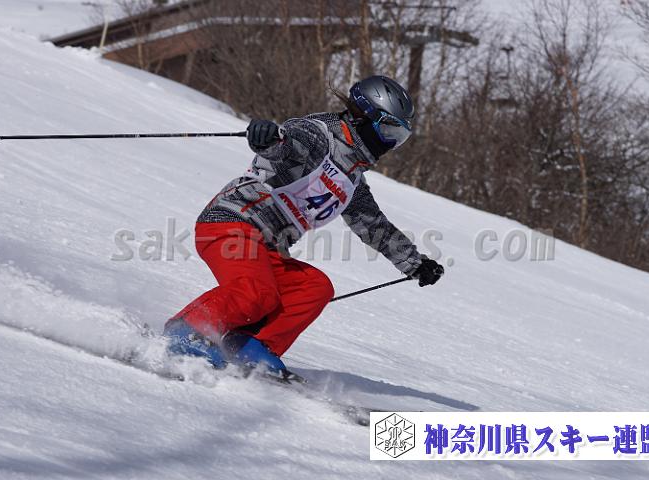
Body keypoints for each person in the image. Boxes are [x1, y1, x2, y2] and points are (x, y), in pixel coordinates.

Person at [164, 75, 444, 377]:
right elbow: (287, 146)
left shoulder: (353, 180)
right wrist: (268, 138)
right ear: (364, 117)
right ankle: (188, 331)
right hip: (232, 222)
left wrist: (415, 264)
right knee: (256, 292)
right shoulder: (317, 135)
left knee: (313, 287)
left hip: (267, 246)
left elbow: (374, 226)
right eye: (388, 130)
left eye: (399, 136)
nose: (391, 143)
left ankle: (249, 347)